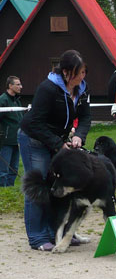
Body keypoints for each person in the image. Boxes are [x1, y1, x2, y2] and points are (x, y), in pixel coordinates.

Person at [18, 50, 91, 250]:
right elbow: (34, 123)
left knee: (57, 186)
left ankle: (57, 232)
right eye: (79, 72)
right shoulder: (48, 89)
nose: (82, 76)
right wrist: (58, 144)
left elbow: (85, 117)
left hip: (55, 141)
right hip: (35, 140)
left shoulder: (82, 90)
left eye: (84, 72)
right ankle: (37, 237)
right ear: (66, 72)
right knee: (39, 184)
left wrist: (79, 136)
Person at [0, 76, 23, 186]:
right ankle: (3, 190)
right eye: (17, 84)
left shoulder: (17, 100)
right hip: (6, 140)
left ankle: (10, 188)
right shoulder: (3, 100)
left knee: (14, 168)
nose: (20, 87)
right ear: (10, 86)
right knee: (3, 169)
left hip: (16, 139)